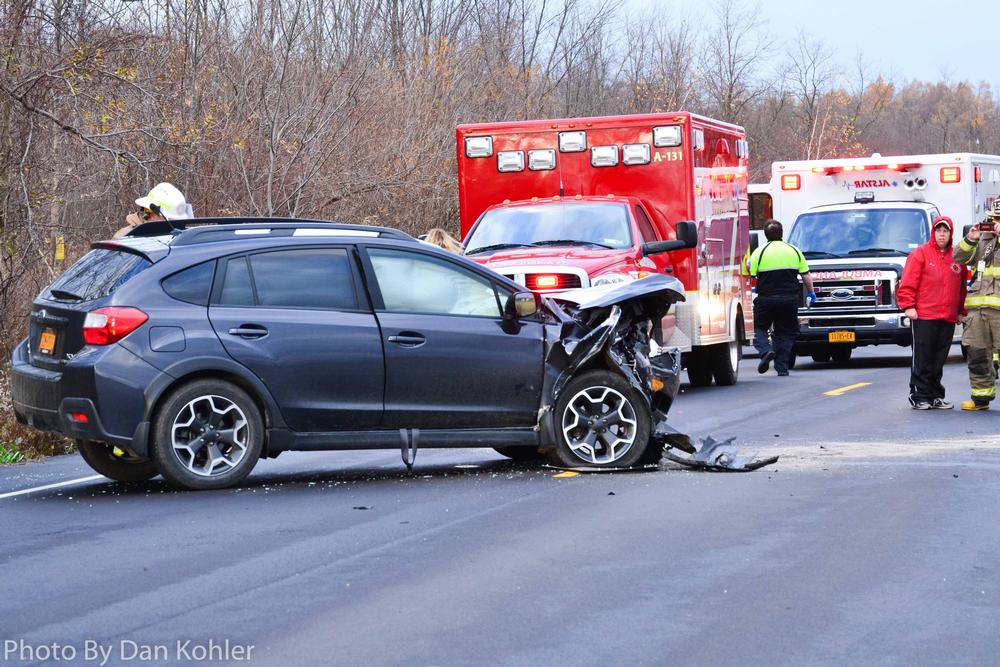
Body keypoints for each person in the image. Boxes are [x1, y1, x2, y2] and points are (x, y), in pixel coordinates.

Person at [896, 216, 965, 409]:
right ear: (933, 232)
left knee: (939, 358)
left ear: (951, 234)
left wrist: (961, 311)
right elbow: (908, 282)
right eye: (938, 231)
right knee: (923, 357)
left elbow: (961, 287)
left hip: (948, 316)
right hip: (924, 315)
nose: (942, 235)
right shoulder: (920, 254)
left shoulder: (958, 256)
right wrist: (908, 306)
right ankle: (919, 395)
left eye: (945, 231)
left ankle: (935, 395)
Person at [748, 219, 815, 376]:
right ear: (782, 233)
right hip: (789, 300)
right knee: (785, 332)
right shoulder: (794, 251)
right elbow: (806, 276)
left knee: (758, 328)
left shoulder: (759, 252)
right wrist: (811, 293)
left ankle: (765, 351)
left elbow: (751, 276)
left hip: (766, 300)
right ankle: (782, 368)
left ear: (765, 235)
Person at [953, 202, 1000, 410]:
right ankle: (981, 399)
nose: (995, 224)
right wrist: (970, 239)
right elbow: (959, 258)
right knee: (978, 355)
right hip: (978, 312)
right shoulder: (983, 240)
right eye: (993, 219)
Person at [114, 182, 193, 239]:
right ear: (152, 214)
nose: (176, 227)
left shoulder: (175, 238)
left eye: (177, 221)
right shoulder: (126, 238)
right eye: (172, 221)